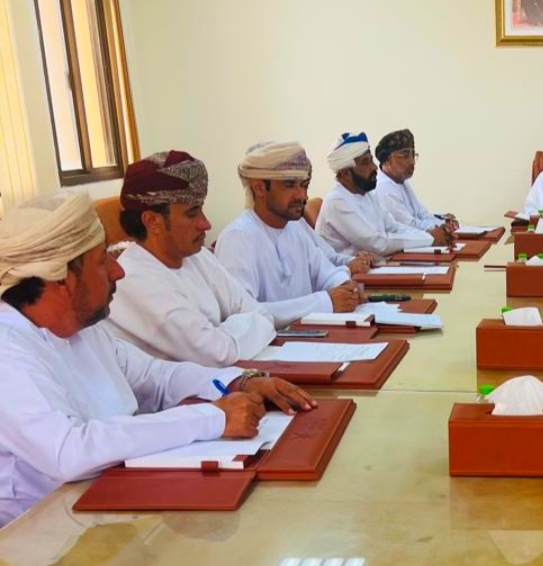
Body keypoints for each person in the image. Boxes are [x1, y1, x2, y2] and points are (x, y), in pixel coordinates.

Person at [0, 191, 314, 526]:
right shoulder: (8, 351)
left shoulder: (83, 328)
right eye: (102, 261)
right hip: (48, 530)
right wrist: (213, 418)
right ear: (61, 279)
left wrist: (240, 381)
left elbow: (153, 375)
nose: (118, 272)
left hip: (117, 496)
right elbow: (70, 451)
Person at [102, 151, 278, 366]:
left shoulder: (196, 256)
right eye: (192, 213)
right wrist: (235, 329)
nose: (206, 224)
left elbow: (263, 315)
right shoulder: (134, 279)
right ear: (152, 221)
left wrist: (221, 334)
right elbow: (216, 354)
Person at [214, 141, 366, 329]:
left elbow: (325, 272)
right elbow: (244, 314)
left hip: (310, 337)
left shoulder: (294, 228)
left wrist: (344, 285)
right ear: (259, 188)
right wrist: (325, 302)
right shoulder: (237, 238)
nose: (302, 196)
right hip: (270, 345)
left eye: (304, 185)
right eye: (289, 185)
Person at [316, 132, 436, 256]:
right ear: (345, 173)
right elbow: (377, 244)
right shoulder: (337, 201)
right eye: (365, 162)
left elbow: (394, 228)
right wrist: (429, 239)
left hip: (376, 264)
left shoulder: (367, 195)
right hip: (347, 268)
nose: (374, 167)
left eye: (371, 160)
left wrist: (428, 236)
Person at [374, 129, 458, 243]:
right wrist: (441, 228)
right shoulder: (383, 187)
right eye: (405, 156)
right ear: (387, 159)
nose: (412, 162)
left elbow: (422, 215)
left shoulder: (402, 183)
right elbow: (409, 225)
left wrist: (445, 223)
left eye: (413, 155)